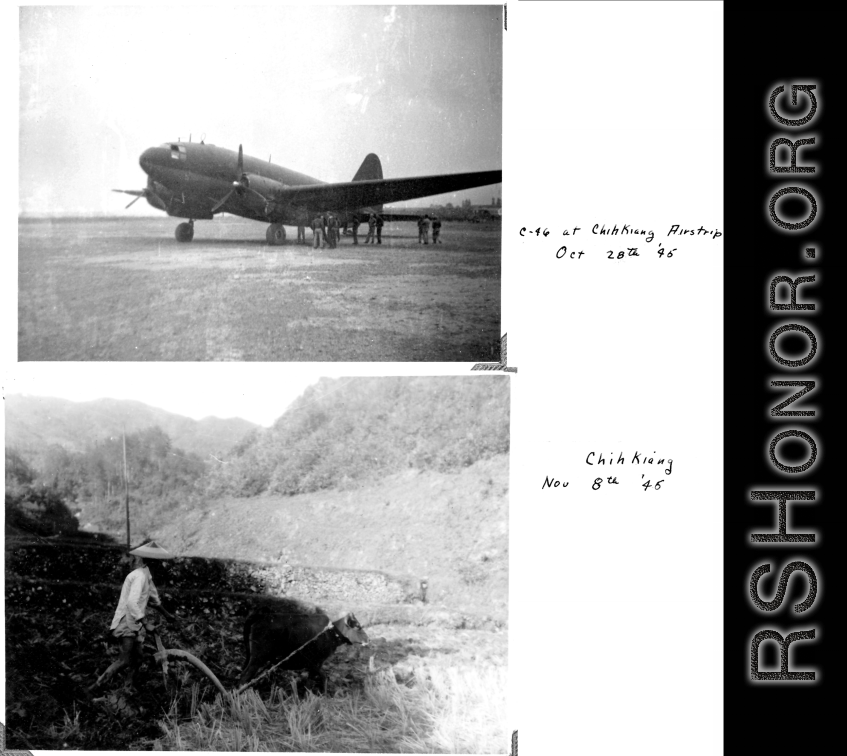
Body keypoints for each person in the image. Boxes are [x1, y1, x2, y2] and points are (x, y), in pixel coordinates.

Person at [89, 541, 178, 693]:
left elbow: (154, 600)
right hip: (126, 621)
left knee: (138, 658)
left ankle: (127, 687)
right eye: (159, 563)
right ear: (152, 562)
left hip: (134, 622)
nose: (161, 566)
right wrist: (146, 623)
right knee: (124, 660)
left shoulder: (147, 578)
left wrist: (168, 615)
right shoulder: (139, 577)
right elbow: (131, 602)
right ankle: (94, 687)